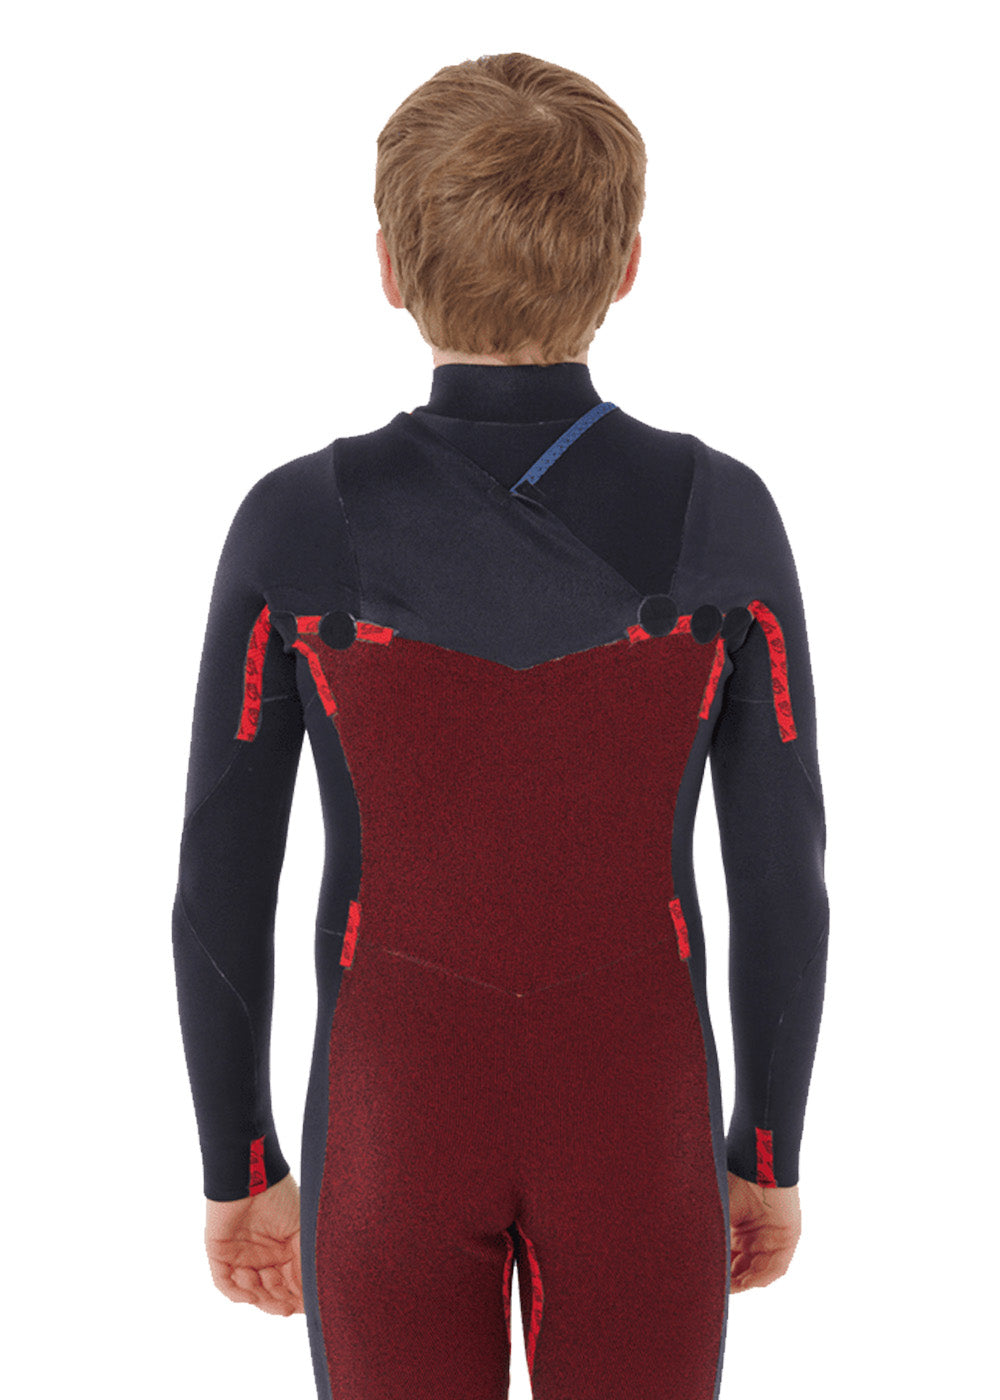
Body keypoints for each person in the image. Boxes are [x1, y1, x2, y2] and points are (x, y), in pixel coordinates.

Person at [172, 51, 829, 1400]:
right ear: (628, 265)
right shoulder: (724, 512)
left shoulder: (296, 521)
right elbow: (782, 880)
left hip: (390, 1127)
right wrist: (765, 1148)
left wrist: (239, 1165)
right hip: (639, 1125)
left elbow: (219, 882)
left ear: (388, 269)